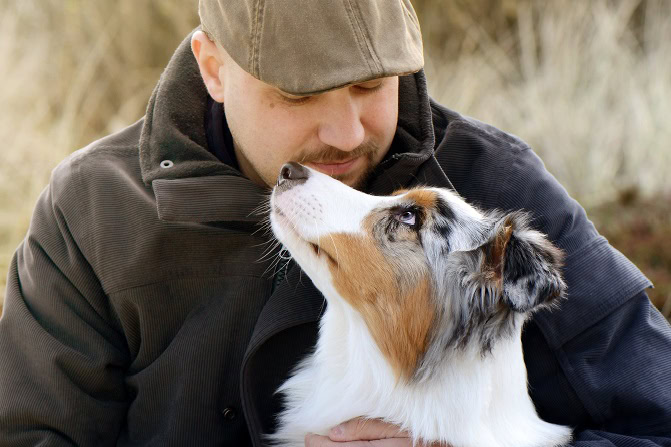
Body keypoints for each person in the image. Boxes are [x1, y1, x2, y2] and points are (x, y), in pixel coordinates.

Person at [0, 1, 669, 446]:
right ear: (213, 68)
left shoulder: (490, 189)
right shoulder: (91, 211)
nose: (347, 132)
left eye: (370, 85)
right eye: (299, 95)